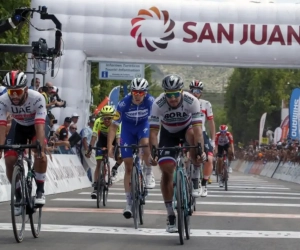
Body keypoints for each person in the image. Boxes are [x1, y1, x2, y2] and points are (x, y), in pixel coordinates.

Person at [149, 74, 206, 233]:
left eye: (176, 94)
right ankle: (170, 215)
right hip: (168, 133)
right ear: (165, 94)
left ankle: (195, 178)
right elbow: (153, 132)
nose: (173, 98)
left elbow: (198, 130)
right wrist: (153, 153)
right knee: (166, 171)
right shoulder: (158, 103)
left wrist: (200, 151)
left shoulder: (191, 101)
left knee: (194, 140)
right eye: (169, 95)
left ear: (182, 92)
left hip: (187, 129)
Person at [0, 70, 48, 214]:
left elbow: (39, 126)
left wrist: (40, 148)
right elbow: (1, 126)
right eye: (11, 92)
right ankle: (19, 195)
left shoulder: (37, 98)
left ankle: (40, 190)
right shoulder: (3, 100)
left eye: (18, 91)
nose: (14, 96)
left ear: (26, 89)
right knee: (9, 159)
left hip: (35, 126)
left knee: (40, 154)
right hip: (18, 126)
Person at [107, 78, 155, 219]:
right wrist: (110, 146)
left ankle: (148, 172)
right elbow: (114, 126)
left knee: (145, 143)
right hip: (128, 130)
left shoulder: (151, 102)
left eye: (141, 92)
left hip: (143, 127)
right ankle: (128, 203)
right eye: (135, 92)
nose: (138, 95)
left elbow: (157, 122)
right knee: (128, 167)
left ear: (145, 93)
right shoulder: (124, 103)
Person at [88, 105, 123, 198]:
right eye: (104, 118)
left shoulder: (117, 123)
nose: (106, 120)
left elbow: (118, 139)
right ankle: (96, 187)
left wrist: (117, 149)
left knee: (121, 155)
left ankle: (114, 168)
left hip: (114, 139)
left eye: (109, 118)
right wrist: (90, 148)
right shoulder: (98, 121)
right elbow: (94, 136)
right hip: (102, 140)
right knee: (98, 164)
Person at [189, 80, 215, 197]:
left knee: (209, 159)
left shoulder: (206, 104)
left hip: (201, 132)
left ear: (201, 93)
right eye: (194, 90)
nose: (196, 93)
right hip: (187, 132)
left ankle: (203, 183)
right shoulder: (184, 103)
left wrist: (213, 140)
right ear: (190, 91)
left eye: (198, 91)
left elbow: (211, 122)